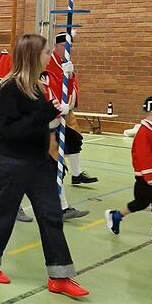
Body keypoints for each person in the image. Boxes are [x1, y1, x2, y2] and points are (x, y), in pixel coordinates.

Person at [0, 33, 88, 298]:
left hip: (38, 162)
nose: (51, 56)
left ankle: (60, 275)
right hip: (12, 162)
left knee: (51, 215)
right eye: (47, 51)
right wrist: (46, 113)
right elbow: (10, 130)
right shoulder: (9, 87)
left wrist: (58, 113)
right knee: (3, 213)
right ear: (33, 55)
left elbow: (37, 123)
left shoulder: (37, 86)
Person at [105, 89, 152, 245]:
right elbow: (143, 156)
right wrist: (150, 176)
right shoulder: (144, 133)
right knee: (141, 203)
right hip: (147, 178)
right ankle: (116, 215)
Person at [46, 33, 95, 220]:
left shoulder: (64, 66)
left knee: (54, 167)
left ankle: (63, 207)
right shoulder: (45, 68)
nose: (68, 51)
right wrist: (58, 107)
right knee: (38, 169)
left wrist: (70, 76)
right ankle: (13, 205)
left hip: (57, 121)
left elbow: (68, 87)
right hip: (43, 126)